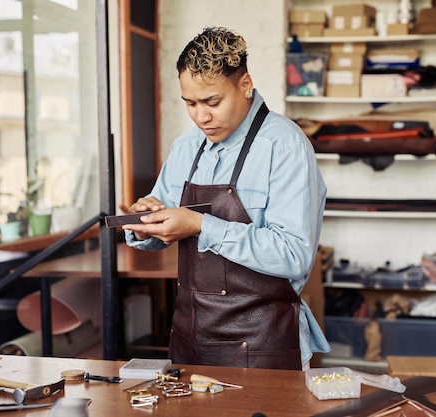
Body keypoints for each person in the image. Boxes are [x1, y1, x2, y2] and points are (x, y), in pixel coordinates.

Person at [120, 27, 329, 370]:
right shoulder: (187, 147)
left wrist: (202, 226)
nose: (201, 116)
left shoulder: (285, 146)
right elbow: (161, 213)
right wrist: (144, 222)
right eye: (190, 103)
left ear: (245, 85)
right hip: (190, 341)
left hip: (264, 344)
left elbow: (294, 255)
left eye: (212, 102)